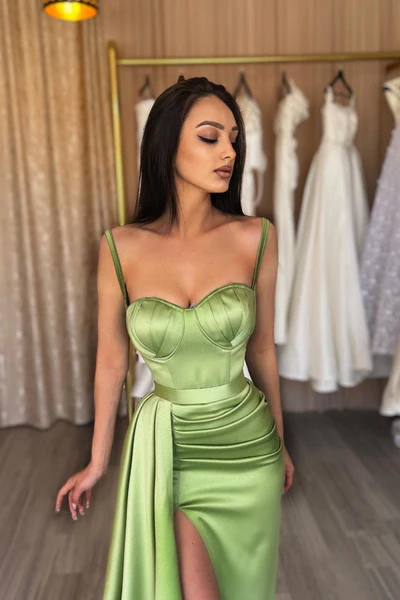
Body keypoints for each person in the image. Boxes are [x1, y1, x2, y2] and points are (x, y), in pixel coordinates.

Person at [55, 76, 295, 600]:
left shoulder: (256, 237)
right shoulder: (120, 248)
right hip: (169, 450)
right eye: (210, 137)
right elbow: (111, 363)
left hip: (247, 447)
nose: (229, 152)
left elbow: (261, 348)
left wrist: (281, 441)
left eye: (234, 139)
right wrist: (97, 461)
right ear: (167, 144)